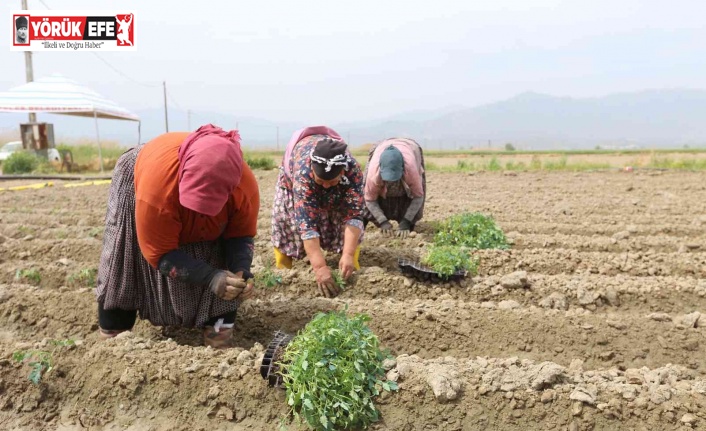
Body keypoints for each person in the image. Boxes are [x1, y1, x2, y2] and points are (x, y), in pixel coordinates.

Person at [95, 124, 260, 349]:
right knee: (123, 263)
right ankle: (111, 344)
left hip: (182, 196)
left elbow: (240, 236)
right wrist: (210, 277)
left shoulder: (244, 188)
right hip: (144, 178)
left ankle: (219, 344)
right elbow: (159, 252)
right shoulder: (157, 189)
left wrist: (240, 270)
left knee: (223, 268)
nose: (198, 214)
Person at [271, 126, 364, 298]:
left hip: (341, 187)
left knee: (344, 224)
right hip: (294, 181)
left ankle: (349, 266)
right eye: (320, 181)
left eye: (332, 181)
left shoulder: (353, 172)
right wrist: (320, 267)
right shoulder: (303, 174)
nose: (326, 186)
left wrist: (348, 254)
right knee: (287, 221)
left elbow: (354, 215)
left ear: (342, 172)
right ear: (313, 170)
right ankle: (282, 272)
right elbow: (307, 226)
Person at [363, 138, 425, 238]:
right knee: (363, 201)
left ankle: (406, 222)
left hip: (410, 148)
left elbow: (418, 197)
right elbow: (369, 200)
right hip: (381, 149)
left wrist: (406, 221)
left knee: (408, 224)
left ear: (402, 168)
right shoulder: (373, 173)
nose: (391, 182)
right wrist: (382, 221)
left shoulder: (411, 169)